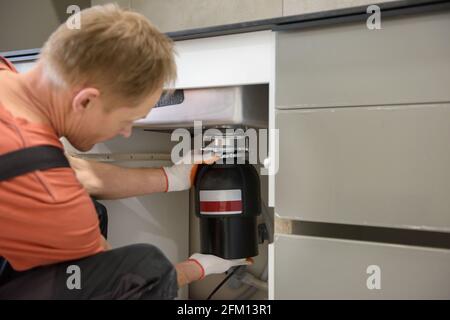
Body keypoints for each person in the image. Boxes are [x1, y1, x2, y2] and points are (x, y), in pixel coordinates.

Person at [0, 4, 250, 300]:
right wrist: (198, 268)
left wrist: (171, 178)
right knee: (147, 270)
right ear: (86, 101)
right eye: (126, 120)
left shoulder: (8, 77)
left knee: (92, 211)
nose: (126, 132)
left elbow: (71, 172)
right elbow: (126, 284)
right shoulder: (44, 186)